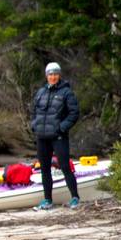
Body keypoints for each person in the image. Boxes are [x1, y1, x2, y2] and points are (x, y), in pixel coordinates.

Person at [30, 62, 80, 210]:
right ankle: (47, 200)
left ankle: (75, 198)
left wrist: (62, 128)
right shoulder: (40, 92)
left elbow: (74, 113)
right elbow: (33, 111)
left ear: (59, 75)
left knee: (65, 166)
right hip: (42, 137)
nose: (53, 77)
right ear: (46, 76)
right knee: (44, 169)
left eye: (55, 74)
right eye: (50, 74)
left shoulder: (67, 92)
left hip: (58, 137)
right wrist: (34, 125)